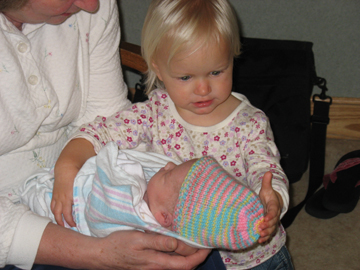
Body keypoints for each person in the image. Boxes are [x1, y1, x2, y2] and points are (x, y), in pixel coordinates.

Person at [54, 0, 293, 269]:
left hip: (253, 259)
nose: (203, 89)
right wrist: (66, 166)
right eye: (185, 77)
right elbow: (101, 133)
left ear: (232, 58)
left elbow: (266, 170)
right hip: (181, 254)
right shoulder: (154, 113)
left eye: (216, 72)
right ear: (158, 68)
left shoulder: (250, 122)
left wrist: (272, 200)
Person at [0, 0, 210, 269]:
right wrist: (98, 254)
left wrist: (150, 211)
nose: (92, 5)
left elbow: (109, 124)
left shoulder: (92, 5)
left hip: (84, 188)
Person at [21, 143, 264, 251]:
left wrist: (125, 169)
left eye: (168, 176)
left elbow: (104, 192)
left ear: (163, 217)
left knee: (34, 196)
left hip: (57, 207)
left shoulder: (131, 207)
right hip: (62, 181)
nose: (167, 164)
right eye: (173, 166)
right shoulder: (159, 199)